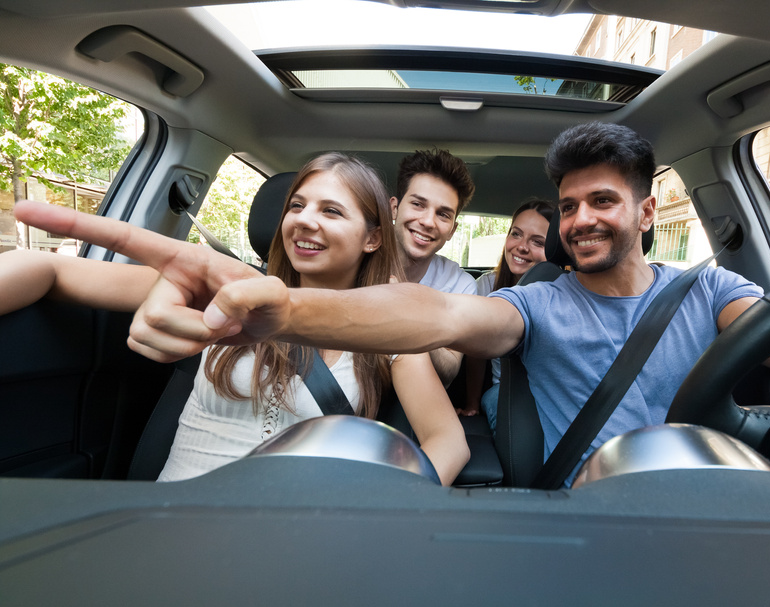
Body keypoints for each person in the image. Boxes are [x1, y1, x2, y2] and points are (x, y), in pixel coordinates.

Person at [14, 123, 770, 486]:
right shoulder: (534, 306)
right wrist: (278, 314)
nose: (583, 220)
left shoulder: (712, 290)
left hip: (693, 492)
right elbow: (440, 320)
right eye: (572, 204)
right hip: (567, 506)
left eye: (603, 201)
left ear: (647, 207)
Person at [2, 153, 470, 485]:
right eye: (296, 206)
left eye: (331, 211)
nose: (305, 220)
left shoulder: (383, 335)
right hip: (169, 527)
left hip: (293, 545)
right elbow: (48, 268)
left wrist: (382, 520)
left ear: (372, 238)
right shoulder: (222, 289)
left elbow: (449, 442)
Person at [457, 199, 554, 431]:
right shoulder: (487, 285)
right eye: (516, 234)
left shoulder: (565, 291)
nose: (521, 246)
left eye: (537, 242)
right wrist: (472, 403)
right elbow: (476, 352)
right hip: (504, 391)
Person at [390, 149, 478, 386]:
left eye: (443, 214)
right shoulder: (358, 261)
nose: (428, 222)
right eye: (418, 204)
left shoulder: (460, 285)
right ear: (394, 208)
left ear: (452, 230)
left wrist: (407, 310)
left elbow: (449, 370)